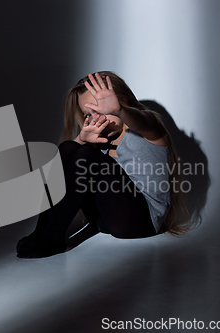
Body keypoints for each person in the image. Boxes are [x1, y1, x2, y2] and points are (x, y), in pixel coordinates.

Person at [16, 71, 194, 259]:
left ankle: (52, 238)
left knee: (85, 153)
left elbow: (144, 120)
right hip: (102, 220)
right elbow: (67, 161)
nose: (95, 118)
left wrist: (120, 112)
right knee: (69, 147)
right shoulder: (100, 138)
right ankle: (41, 232)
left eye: (99, 108)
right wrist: (81, 139)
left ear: (118, 101)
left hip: (140, 222)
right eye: (87, 115)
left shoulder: (148, 130)